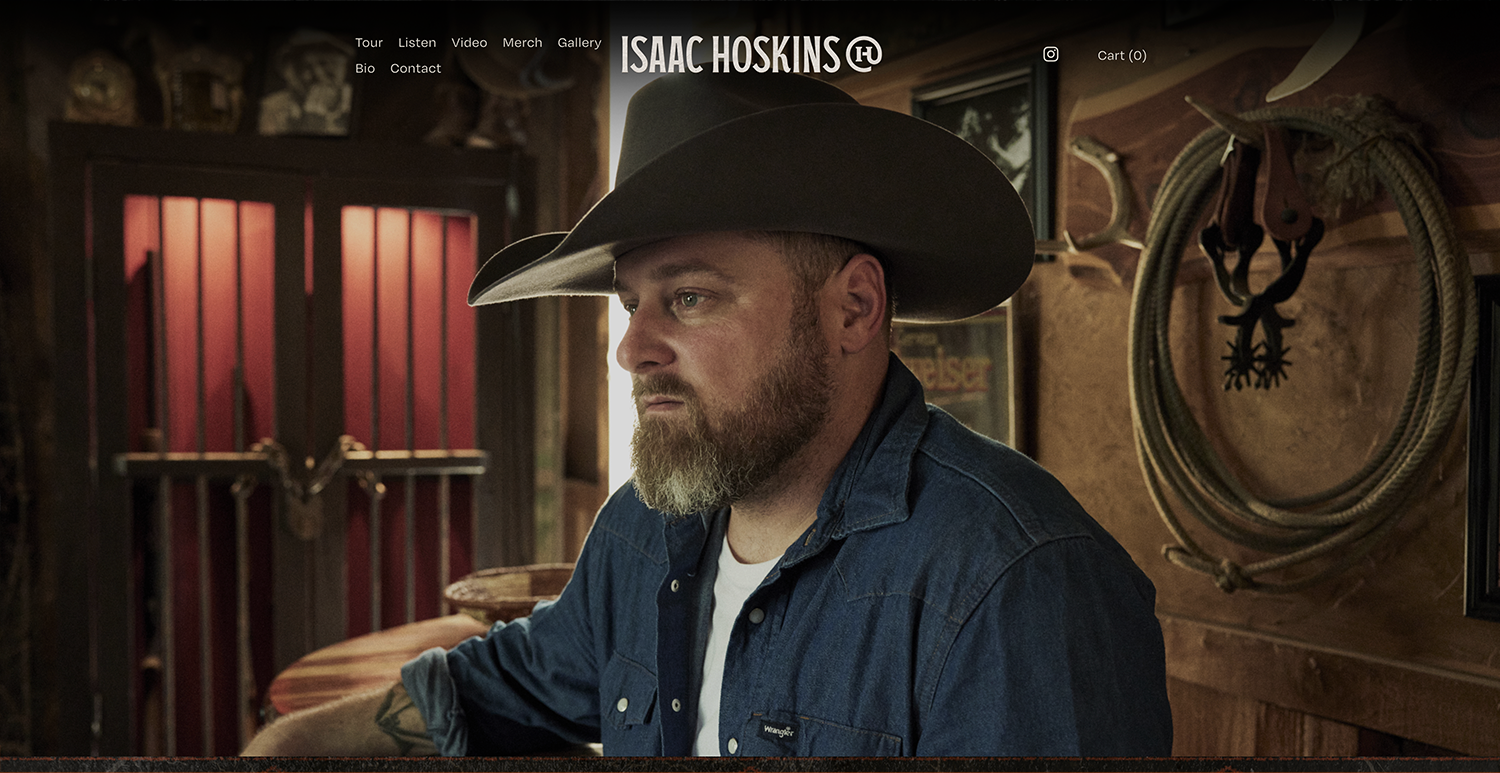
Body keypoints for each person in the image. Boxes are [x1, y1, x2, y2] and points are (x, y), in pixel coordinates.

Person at [243, 71, 1172, 758]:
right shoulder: (648, 528)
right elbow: (513, 685)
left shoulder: (1015, 586)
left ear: (853, 307)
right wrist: (282, 749)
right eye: (629, 303)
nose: (633, 347)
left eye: (688, 298)